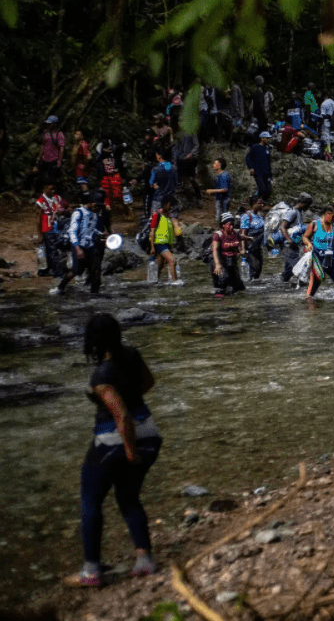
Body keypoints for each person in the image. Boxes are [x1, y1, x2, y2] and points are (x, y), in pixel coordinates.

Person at [64, 313, 162, 587]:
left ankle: (91, 571)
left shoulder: (101, 375)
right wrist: (132, 395)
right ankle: (144, 560)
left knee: (91, 501)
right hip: (150, 433)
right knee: (128, 498)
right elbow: (149, 383)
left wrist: (129, 451)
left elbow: (121, 417)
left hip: (116, 440)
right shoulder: (132, 355)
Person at [52, 193, 107, 295]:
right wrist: (77, 248)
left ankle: (95, 294)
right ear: (90, 203)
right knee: (76, 270)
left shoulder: (94, 214)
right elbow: (72, 231)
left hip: (91, 245)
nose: (98, 208)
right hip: (79, 245)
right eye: (96, 205)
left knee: (96, 270)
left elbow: (91, 228)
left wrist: (100, 234)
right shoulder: (78, 213)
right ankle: (60, 287)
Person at [302, 204, 334, 298]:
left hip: (332, 257)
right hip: (317, 257)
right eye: (330, 215)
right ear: (325, 213)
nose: (332, 218)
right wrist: (308, 244)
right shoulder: (315, 224)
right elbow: (305, 237)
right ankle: (308, 300)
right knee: (316, 280)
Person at [35, 182, 68, 278]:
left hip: (58, 228)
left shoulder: (57, 198)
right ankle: (58, 273)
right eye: (50, 189)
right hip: (47, 228)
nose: (52, 191)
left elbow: (63, 209)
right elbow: (37, 219)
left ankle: (49, 269)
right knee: (52, 251)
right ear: (44, 189)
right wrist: (40, 234)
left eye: (54, 189)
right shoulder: (40, 202)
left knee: (54, 250)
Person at [278, 193, 312, 282]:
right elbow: (283, 227)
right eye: (308, 204)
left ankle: (282, 286)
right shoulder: (292, 212)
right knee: (298, 268)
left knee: (288, 271)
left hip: (294, 244)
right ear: (303, 203)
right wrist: (289, 240)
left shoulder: (299, 212)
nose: (308, 207)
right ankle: (304, 289)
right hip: (288, 245)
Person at [210, 213, 246, 297]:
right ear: (223, 225)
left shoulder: (235, 233)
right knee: (222, 283)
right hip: (220, 261)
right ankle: (219, 304)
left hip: (232, 262)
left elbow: (242, 238)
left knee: (239, 286)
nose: (231, 227)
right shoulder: (218, 235)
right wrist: (217, 265)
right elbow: (214, 250)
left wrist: (242, 249)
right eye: (229, 225)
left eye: (232, 224)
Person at [149, 197, 184, 284]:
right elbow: (152, 232)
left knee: (160, 265)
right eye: (170, 205)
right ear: (165, 205)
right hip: (159, 243)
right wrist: (152, 247)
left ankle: (154, 281)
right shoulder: (157, 215)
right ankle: (175, 281)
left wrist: (170, 247)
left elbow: (170, 233)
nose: (171, 207)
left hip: (166, 244)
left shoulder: (168, 217)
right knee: (172, 260)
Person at [36, 116, 66, 193]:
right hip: (44, 159)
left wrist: (59, 161)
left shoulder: (59, 134)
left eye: (50, 124)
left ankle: (54, 195)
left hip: (53, 159)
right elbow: (42, 145)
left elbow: (61, 149)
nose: (48, 125)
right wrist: (39, 157)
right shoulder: (45, 133)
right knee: (40, 177)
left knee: (52, 179)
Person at [95, 141, 127, 213]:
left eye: (108, 147)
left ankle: (126, 209)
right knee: (106, 194)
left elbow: (123, 147)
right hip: (105, 176)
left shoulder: (115, 151)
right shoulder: (100, 155)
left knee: (117, 195)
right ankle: (107, 212)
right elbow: (97, 165)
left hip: (115, 175)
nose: (108, 149)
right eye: (105, 147)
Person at [239, 198, 267, 280]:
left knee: (259, 266)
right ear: (253, 204)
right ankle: (250, 284)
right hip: (250, 245)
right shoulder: (246, 216)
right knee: (253, 267)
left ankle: (256, 285)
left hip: (258, 245)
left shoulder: (260, 215)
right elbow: (243, 234)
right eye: (259, 203)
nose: (261, 205)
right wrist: (243, 249)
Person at [148, 150, 177, 217]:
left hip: (158, 197)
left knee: (155, 218)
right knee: (169, 217)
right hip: (170, 196)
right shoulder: (174, 168)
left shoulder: (156, 169)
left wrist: (153, 185)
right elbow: (176, 182)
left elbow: (151, 183)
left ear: (159, 156)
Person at [246, 132, 273, 201]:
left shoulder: (267, 149)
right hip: (258, 172)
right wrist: (250, 168)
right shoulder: (255, 147)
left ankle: (262, 203)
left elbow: (268, 162)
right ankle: (254, 196)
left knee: (268, 191)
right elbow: (248, 158)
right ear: (262, 138)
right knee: (262, 189)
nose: (268, 140)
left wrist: (271, 176)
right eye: (267, 138)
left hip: (266, 173)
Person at [206, 158, 231, 225]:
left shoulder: (224, 175)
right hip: (220, 199)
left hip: (223, 200)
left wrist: (212, 190)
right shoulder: (219, 175)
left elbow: (225, 189)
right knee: (220, 218)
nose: (213, 165)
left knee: (223, 218)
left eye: (215, 163)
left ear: (219, 165)